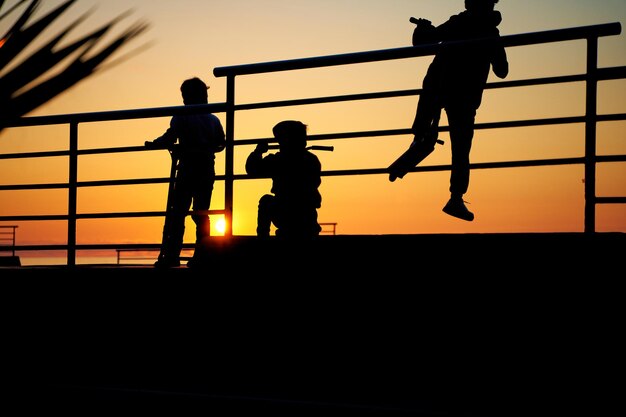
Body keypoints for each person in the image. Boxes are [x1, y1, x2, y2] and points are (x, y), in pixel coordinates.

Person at [400, 0, 509, 221]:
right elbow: (502, 71)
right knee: (461, 149)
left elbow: (421, 43)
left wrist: (423, 28)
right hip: (466, 96)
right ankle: (456, 198)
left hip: (439, 86)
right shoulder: (491, 33)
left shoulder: (457, 23)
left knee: (428, 108)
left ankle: (419, 137)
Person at [145, 77, 225, 268]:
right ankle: (203, 254)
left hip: (188, 168)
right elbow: (221, 143)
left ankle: (172, 255)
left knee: (177, 212)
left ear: (187, 97)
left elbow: (170, 136)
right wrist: (205, 147)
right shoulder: (213, 119)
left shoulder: (181, 116)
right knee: (201, 213)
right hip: (207, 168)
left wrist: (156, 144)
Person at [245, 120, 322, 239]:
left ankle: (262, 239)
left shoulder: (279, 160)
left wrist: (258, 151)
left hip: (286, 214)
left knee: (266, 201)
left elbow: (252, 169)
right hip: (308, 217)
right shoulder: (312, 159)